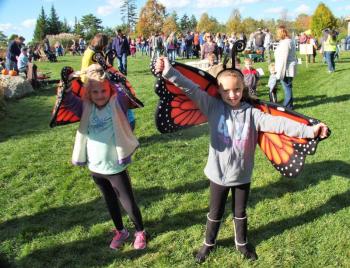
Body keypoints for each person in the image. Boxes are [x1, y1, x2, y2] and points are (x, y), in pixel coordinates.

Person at [155, 56, 329, 264]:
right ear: (219, 91)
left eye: (236, 90)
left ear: (243, 89)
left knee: (240, 211)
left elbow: (281, 124)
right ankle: (208, 243)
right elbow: (191, 88)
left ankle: (241, 243)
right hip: (218, 175)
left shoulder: (253, 114)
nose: (232, 95)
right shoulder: (212, 106)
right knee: (215, 211)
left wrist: (310, 131)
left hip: (242, 175)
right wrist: (168, 72)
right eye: (226, 91)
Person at [61, 64, 148, 250]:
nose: (100, 95)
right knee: (110, 200)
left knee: (127, 201)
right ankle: (120, 231)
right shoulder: (85, 108)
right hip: (96, 168)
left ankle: (140, 231)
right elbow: (67, 100)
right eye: (95, 92)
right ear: (88, 94)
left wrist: (114, 79)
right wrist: (67, 83)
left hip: (115, 167)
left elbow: (125, 95)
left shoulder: (116, 104)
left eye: (103, 90)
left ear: (109, 90)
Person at [274, 25, 297, 109]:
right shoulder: (287, 41)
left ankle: (287, 106)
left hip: (286, 69)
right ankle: (289, 105)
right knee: (288, 87)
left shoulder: (286, 43)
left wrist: (279, 73)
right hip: (288, 68)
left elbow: (283, 59)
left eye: (278, 33)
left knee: (287, 88)